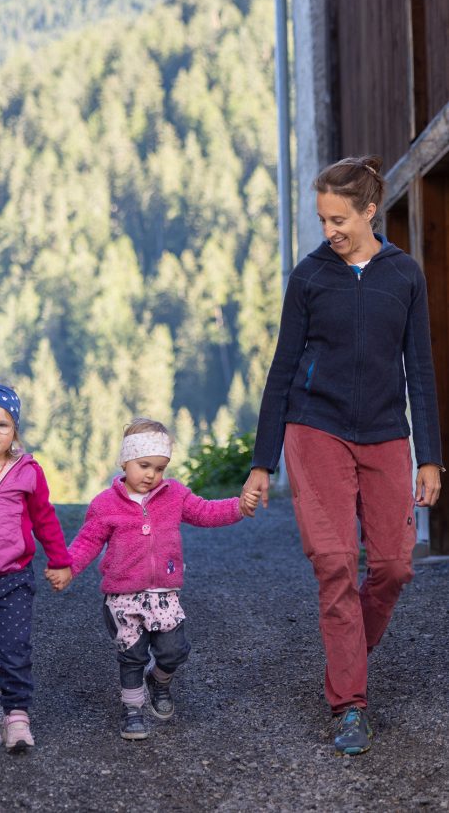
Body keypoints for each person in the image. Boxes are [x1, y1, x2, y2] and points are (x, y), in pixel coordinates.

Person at [239, 155, 443, 755]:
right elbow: (281, 371)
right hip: (315, 428)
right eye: (322, 217)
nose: (328, 229)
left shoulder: (404, 275)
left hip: (386, 433)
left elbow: (421, 370)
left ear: (369, 211)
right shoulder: (309, 277)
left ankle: (347, 644)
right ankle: (350, 704)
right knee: (334, 563)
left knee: (395, 566)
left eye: (338, 218)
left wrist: (428, 455)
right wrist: (262, 461)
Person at [47, 417, 259, 740]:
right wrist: (67, 567)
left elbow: (205, 512)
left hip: (164, 595)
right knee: (132, 656)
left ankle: (159, 680)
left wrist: (238, 507)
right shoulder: (105, 505)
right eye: (144, 465)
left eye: (160, 468)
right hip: (122, 598)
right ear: (125, 460)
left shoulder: (174, 495)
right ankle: (132, 711)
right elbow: (87, 542)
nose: (151, 475)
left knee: (174, 650)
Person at [0, 384, 72, 753]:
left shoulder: (28, 472)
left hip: (14, 578)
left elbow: (45, 520)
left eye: (1, 424)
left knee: (14, 648)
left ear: (15, 433)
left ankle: (16, 717)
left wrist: (61, 562)